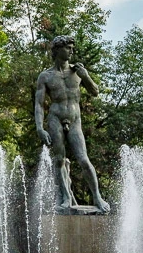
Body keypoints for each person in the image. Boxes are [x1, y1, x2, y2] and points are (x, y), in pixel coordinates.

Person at [33, 35, 111, 213]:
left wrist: (86, 76)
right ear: (57, 49)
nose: (71, 51)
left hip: (75, 120)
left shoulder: (77, 72)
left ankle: (97, 197)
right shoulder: (46, 76)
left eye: (72, 48)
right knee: (59, 159)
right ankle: (66, 198)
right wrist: (39, 128)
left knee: (83, 159)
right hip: (55, 118)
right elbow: (38, 104)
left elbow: (95, 92)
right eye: (68, 47)